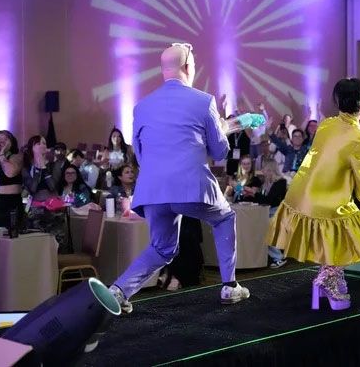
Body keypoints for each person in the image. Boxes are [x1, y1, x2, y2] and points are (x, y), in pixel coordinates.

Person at [109, 43, 264, 314]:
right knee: (225, 218)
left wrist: (232, 124)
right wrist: (228, 128)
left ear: (163, 70)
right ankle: (229, 285)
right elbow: (218, 150)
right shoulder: (203, 100)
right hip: (191, 186)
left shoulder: (141, 106)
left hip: (153, 189)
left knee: (162, 248)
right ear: (189, 67)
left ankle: (118, 291)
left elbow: (140, 153)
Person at [267, 78, 360, 311]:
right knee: (359, 234)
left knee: (334, 236)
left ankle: (329, 277)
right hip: (329, 203)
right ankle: (328, 279)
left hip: (301, 195)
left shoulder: (325, 125)